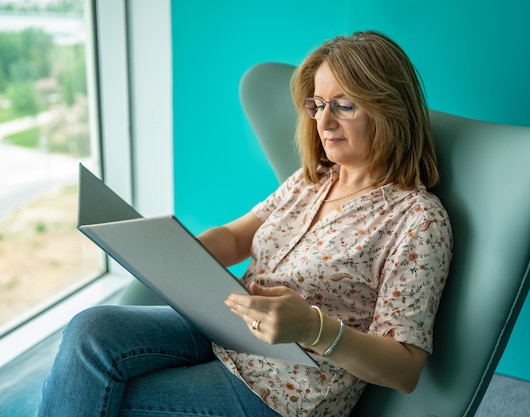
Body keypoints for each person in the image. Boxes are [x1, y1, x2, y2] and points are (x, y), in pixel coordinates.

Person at [36, 30, 453, 417]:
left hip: (284, 386)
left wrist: (313, 327)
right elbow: (237, 236)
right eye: (318, 105)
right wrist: (174, 251)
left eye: (344, 106)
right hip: (228, 325)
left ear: (390, 109)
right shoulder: (314, 180)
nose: (323, 123)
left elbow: (405, 368)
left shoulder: (418, 220)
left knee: (109, 396)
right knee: (90, 329)